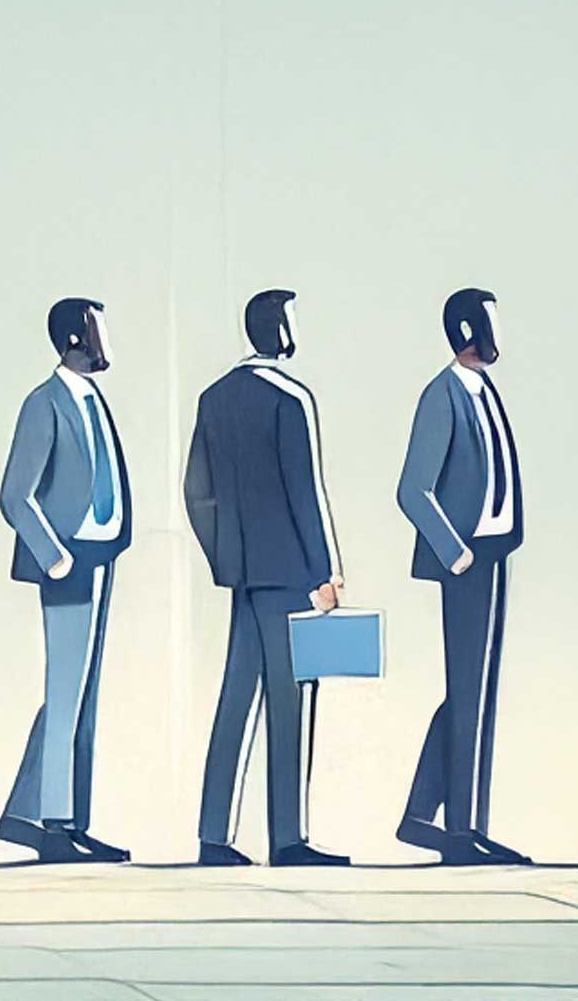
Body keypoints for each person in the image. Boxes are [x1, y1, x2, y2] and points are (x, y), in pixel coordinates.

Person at [186, 288, 344, 867]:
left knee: (236, 699)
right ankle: (288, 838)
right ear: (279, 328)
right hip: (291, 575)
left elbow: (196, 493)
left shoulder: (213, 398)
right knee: (292, 700)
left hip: (244, 575)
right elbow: (307, 490)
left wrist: (224, 557)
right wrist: (325, 568)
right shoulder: (290, 398)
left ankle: (214, 834)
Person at [0, 294, 138, 863]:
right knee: (65, 694)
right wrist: (54, 556)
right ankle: (53, 825)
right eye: (98, 330)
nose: (106, 341)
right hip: (69, 560)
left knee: (84, 698)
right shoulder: (44, 403)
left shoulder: (94, 399)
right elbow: (14, 494)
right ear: (76, 338)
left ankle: (65, 817)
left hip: (102, 557)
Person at [394, 286, 523, 864]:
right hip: (467, 563)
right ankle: (460, 831)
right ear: (468, 331)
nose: (497, 335)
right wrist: (456, 553)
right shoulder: (442, 394)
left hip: (495, 555)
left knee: (475, 694)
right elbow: (412, 489)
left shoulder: (484, 390)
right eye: (489, 323)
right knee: (469, 694)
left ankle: (430, 817)